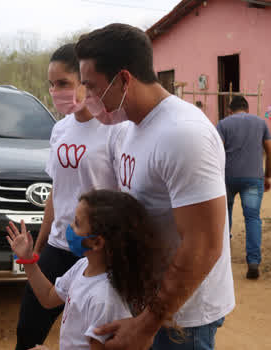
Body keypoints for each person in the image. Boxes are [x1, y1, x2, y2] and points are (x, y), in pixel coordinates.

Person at [75, 23, 235, 350]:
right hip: (150, 306)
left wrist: (147, 324)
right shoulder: (127, 129)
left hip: (183, 317)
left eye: (91, 87)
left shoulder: (184, 135)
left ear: (123, 79)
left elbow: (203, 245)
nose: (87, 98)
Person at [15, 43, 119, 350]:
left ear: (84, 82)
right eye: (51, 84)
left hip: (97, 250)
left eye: (63, 83)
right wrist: (41, 242)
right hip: (60, 246)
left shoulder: (115, 130)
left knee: (90, 338)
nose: (55, 91)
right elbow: (57, 191)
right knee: (28, 329)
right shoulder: (59, 130)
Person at [7, 190, 163, 350]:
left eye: (77, 223)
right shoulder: (82, 266)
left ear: (97, 242)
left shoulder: (103, 300)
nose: (70, 227)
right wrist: (27, 260)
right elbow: (48, 297)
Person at [217, 96, 271, 279]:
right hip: (253, 178)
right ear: (247, 109)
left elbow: (216, 150)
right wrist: (268, 175)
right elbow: (270, 151)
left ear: (230, 110)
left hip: (227, 178)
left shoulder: (223, 124)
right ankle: (254, 262)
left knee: (225, 215)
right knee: (252, 218)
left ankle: (224, 257)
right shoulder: (260, 123)